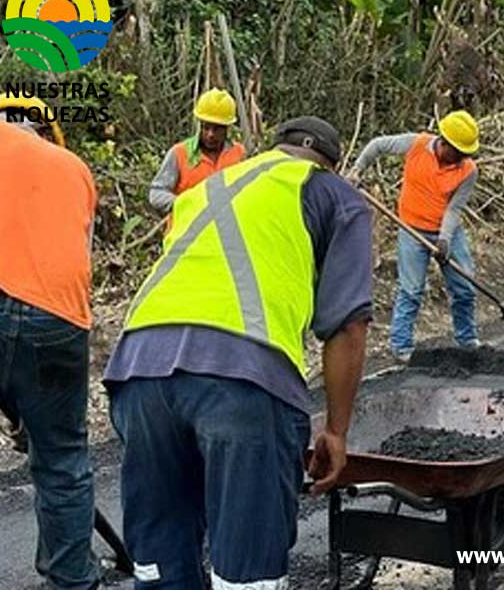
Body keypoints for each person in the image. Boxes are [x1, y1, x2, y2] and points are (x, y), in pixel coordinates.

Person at [105, 116, 373, 588]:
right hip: (242, 378)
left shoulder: (208, 187)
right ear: (328, 165)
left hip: (138, 369)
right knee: (247, 572)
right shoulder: (332, 193)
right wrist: (335, 430)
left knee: (160, 563)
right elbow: (347, 324)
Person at [0, 108, 99, 590]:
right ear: (48, 135)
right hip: (59, 321)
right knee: (63, 464)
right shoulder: (76, 170)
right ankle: (74, 582)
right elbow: (78, 258)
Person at [349, 110, 483, 362]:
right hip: (412, 230)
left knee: (465, 287)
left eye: (466, 154)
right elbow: (377, 145)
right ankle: (401, 347)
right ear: (445, 143)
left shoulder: (468, 171)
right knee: (411, 290)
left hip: (447, 232)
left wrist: (444, 239)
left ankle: (467, 340)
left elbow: (455, 208)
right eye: (459, 153)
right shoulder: (417, 144)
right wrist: (358, 170)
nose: (463, 158)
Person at [148, 88, 247, 214]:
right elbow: (156, 193)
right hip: (187, 231)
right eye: (206, 127)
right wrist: (184, 204)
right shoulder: (179, 153)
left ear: (227, 128)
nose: (210, 134)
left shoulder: (239, 154)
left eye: (217, 129)